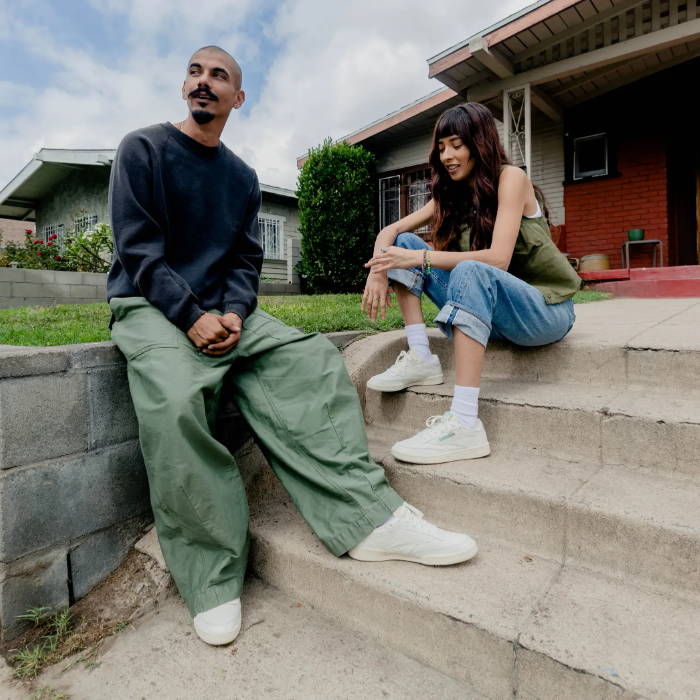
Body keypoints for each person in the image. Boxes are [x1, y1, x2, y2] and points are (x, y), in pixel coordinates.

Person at [106, 46, 478, 647]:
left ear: (237, 97)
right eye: (195, 73)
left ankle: (368, 519)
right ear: (184, 87)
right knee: (176, 403)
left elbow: (245, 259)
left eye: (218, 76)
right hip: (151, 305)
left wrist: (229, 311)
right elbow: (137, 249)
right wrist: (191, 316)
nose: (204, 83)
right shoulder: (142, 149)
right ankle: (212, 575)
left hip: (221, 308)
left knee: (309, 361)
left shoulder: (241, 177)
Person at [362, 103, 581, 465]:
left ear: (479, 142)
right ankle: (420, 355)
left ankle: (464, 423)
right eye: (442, 147)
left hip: (545, 311)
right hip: (497, 314)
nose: (447, 155)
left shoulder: (511, 178)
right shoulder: (450, 192)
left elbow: (497, 260)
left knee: (465, 267)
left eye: (456, 144)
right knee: (403, 243)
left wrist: (420, 259)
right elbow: (392, 230)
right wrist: (378, 269)